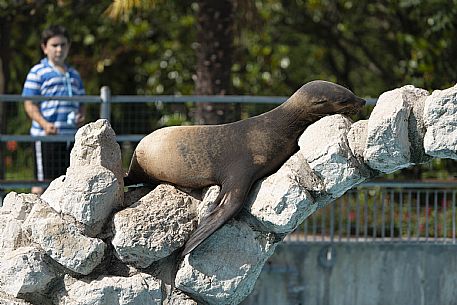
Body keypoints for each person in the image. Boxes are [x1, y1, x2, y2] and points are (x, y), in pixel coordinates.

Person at [22, 25, 85, 195]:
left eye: (63, 45)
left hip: (70, 138)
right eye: (54, 45)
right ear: (45, 48)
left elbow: (82, 103)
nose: (59, 49)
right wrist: (44, 124)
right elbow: (29, 104)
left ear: (68, 47)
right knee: (41, 185)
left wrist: (81, 116)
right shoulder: (37, 72)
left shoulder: (74, 75)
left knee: (67, 183)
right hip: (46, 137)